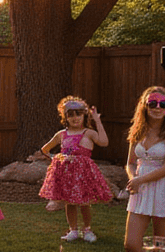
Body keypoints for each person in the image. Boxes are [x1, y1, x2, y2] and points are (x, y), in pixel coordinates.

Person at [39, 96, 113, 242]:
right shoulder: (61, 134)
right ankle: (73, 230)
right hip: (67, 175)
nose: (75, 118)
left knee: (84, 202)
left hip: (84, 174)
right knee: (70, 202)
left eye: (78, 114)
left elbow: (104, 142)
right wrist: (57, 158)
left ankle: (87, 230)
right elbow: (45, 149)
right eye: (71, 115)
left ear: (84, 115)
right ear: (65, 117)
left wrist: (97, 121)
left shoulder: (89, 133)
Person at [123, 85, 165, 252]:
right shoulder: (138, 130)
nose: (158, 108)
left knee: (160, 248)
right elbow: (130, 163)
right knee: (131, 244)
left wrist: (140, 180)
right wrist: (133, 179)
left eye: (163, 104)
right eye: (152, 103)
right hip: (140, 189)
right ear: (144, 105)